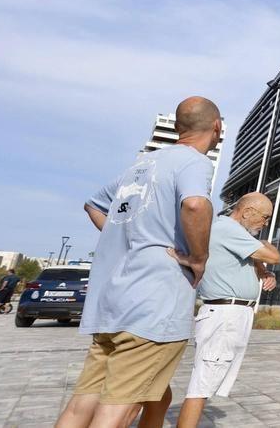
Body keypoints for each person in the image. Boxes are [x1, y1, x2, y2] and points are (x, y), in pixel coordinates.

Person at [56, 96, 220, 428]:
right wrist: (199, 257)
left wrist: (123, 236)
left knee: (81, 405)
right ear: (217, 128)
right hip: (152, 306)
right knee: (121, 410)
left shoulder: (141, 167)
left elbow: (93, 204)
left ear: (177, 127)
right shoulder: (195, 162)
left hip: (111, 304)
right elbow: (195, 206)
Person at [177, 192, 280, 428]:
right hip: (225, 315)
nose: (265, 223)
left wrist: (264, 273)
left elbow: (256, 263)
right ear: (246, 212)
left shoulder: (234, 234)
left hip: (233, 314)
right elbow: (274, 256)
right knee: (200, 386)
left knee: (205, 382)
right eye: (264, 218)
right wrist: (263, 245)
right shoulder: (227, 229)